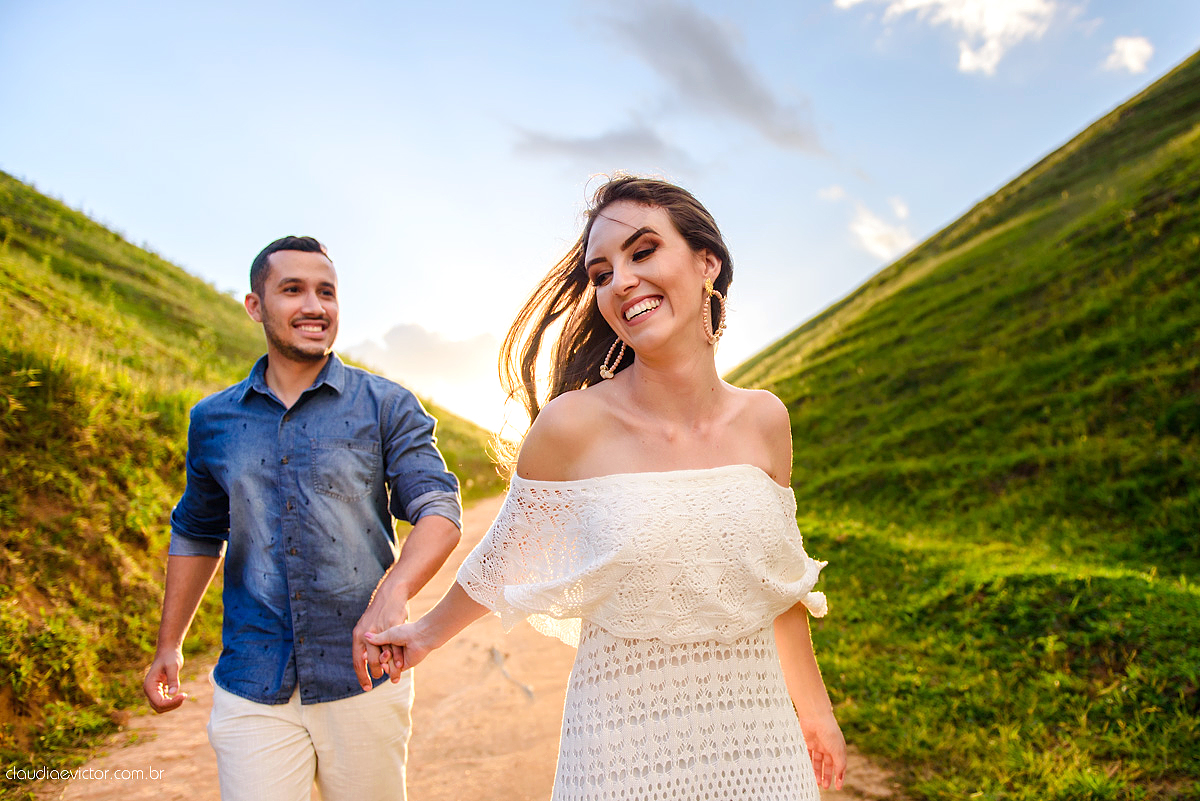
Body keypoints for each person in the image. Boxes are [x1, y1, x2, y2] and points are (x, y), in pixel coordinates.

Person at [368, 176, 847, 798]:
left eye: (642, 252)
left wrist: (816, 712)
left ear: (708, 263)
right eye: (600, 272)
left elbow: (779, 586)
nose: (619, 281)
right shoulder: (572, 425)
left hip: (759, 742)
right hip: (623, 745)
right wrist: (424, 634)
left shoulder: (765, 421)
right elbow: (507, 557)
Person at [142, 236, 462, 801]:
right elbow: (196, 531)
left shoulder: (386, 404)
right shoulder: (213, 421)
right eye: (293, 290)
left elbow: (437, 507)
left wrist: (393, 592)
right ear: (255, 305)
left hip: (363, 675)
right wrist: (170, 645)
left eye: (327, 292)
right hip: (250, 681)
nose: (315, 306)